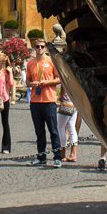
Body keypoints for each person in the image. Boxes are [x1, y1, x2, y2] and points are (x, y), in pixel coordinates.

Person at [26, 38, 63, 167]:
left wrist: (45, 83)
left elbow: (59, 79)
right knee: (39, 131)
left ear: (46, 48)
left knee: (53, 130)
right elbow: (27, 82)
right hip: (35, 102)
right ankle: (41, 156)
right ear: (34, 48)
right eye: (37, 47)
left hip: (49, 100)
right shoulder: (30, 63)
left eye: (42, 46)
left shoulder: (52, 61)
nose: (40, 49)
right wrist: (33, 84)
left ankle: (57, 157)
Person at [57, 84, 78, 162]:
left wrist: (60, 97)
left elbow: (62, 89)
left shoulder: (66, 73)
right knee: (72, 129)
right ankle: (73, 154)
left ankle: (63, 153)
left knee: (60, 128)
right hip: (75, 104)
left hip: (66, 104)